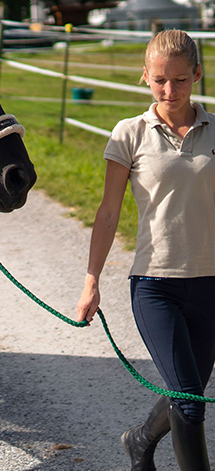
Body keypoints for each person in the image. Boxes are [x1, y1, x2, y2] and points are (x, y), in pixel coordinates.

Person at [76, 29, 215, 471]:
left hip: (211, 286)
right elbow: (108, 213)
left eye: (179, 80)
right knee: (191, 404)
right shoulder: (129, 133)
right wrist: (91, 281)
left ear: (197, 74)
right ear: (145, 78)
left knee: (185, 389)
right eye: (159, 80)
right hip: (156, 285)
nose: (169, 90)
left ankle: (139, 440)